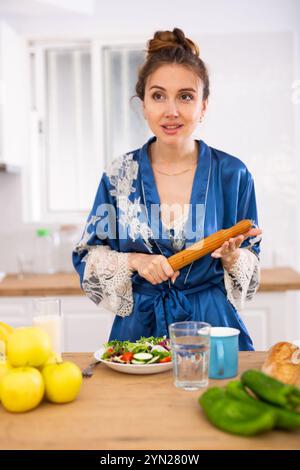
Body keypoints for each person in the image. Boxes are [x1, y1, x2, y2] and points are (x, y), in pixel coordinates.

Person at [72, 27, 262, 351]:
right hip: (138, 334)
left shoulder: (233, 175)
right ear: (143, 104)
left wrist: (232, 259)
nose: (171, 110)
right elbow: (88, 256)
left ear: (203, 106)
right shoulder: (118, 176)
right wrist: (134, 260)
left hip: (212, 328)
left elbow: (252, 259)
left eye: (185, 96)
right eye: (158, 95)